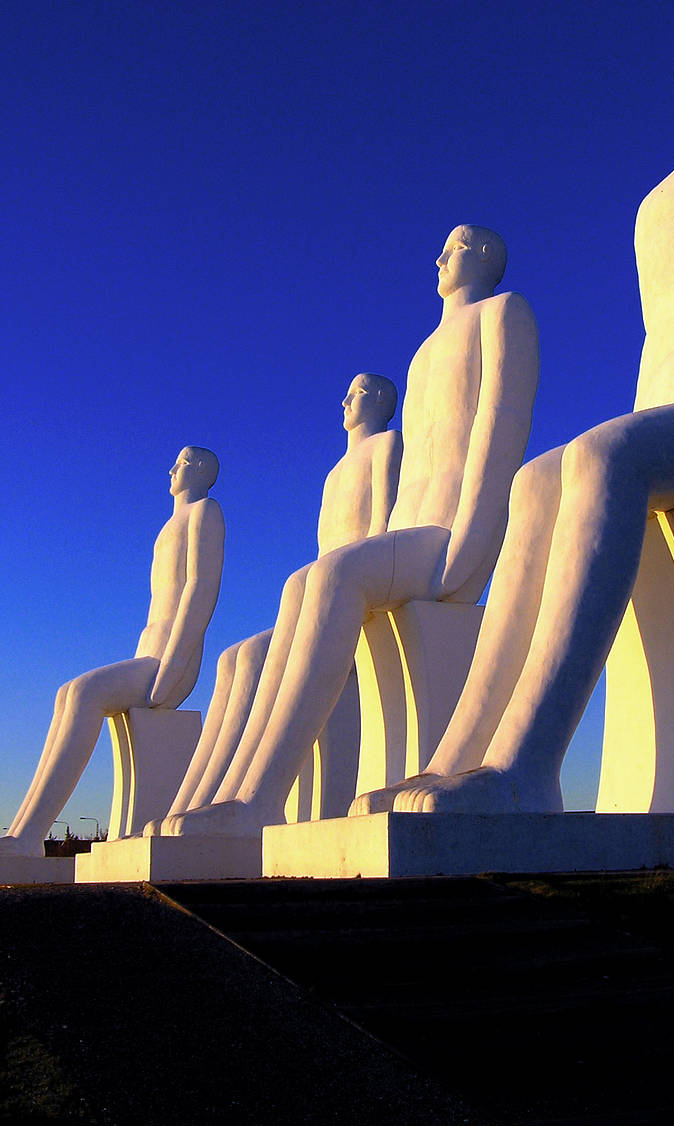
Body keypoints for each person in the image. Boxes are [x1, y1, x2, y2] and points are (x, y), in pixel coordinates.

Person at [352, 26, 674, 815]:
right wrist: (633, 444)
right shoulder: (652, 206)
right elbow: (658, 338)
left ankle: (528, 762)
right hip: (671, 411)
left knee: (601, 455)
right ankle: (458, 755)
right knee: (543, 479)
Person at [165, 225, 539, 837]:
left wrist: (474, 539)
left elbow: (501, 426)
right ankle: (241, 794)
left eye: (455, 247)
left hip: (449, 535)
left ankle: (261, 799)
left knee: (334, 573)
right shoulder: (422, 357)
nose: (439, 257)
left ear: (486, 256)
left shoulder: (503, 314)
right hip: (410, 531)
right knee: (299, 586)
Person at [151, 375, 400, 829]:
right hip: (329, 592)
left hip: (357, 593)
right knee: (239, 658)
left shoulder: (387, 447)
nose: (344, 400)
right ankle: (213, 797)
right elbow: (326, 547)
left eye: (357, 393)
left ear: (382, 401)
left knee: (308, 589)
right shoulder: (332, 475)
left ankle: (260, 796)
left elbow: (382, 526)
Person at [0, 447, 224, 856]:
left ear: (204, 471)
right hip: (149, 652)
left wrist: (175, 664)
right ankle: (23, 828)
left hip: (170, 661)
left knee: (85, 693)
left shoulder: (205, 512)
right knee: (66, 693)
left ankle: (29, 834)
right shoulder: (170, 526)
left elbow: (201, 589)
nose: (173, 468)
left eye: (184, 462)